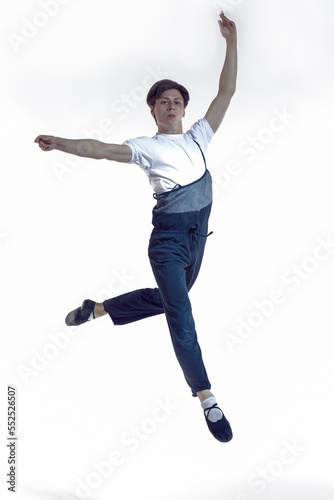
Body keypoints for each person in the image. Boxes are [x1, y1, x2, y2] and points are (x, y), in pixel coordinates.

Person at [35, 11, 237, 442]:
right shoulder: (147, 147)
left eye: (176, 101)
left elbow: (227, 91)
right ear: (153, 109)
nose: (170, 106)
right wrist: (62, 143)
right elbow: (101, 149)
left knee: (169, 300)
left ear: (184, 108)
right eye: (162, 101)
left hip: (197, 239)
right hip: (166, 243)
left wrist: (231, 43)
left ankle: (99, 308)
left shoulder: (199, 136)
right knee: (181, 315)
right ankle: (207, 397)